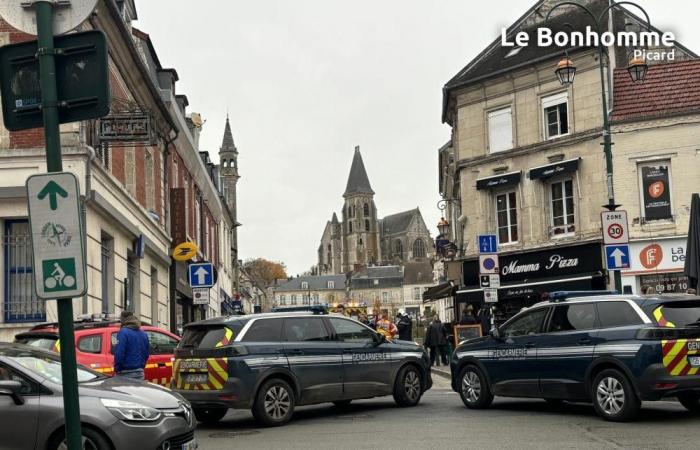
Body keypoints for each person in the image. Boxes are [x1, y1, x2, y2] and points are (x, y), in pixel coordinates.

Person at [114, 311, 150, 380]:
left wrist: (117, 368)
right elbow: (146, 353)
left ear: (123, 319)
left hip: (125, 373)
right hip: (140, 373)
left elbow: (119, 352)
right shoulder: (143, 333)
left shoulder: (123, 332)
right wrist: (141, 366)